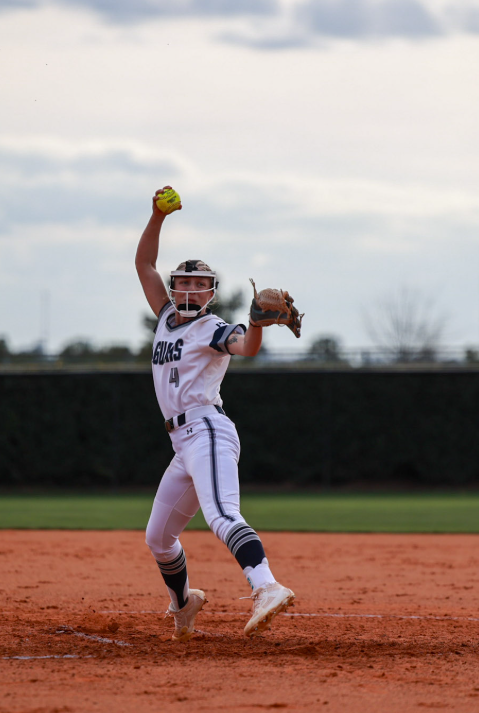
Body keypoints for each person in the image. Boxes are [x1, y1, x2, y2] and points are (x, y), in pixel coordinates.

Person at [135, 186, 295, 641]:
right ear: (174, 288)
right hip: (181, 442)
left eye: (198, 285)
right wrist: (156, 217)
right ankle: (184, 603)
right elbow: (144, 264)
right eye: (183, 283)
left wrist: (260, 326)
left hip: (206, 428)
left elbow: (245, 347)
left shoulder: (213, 327)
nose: (188, 289)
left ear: (210, 293)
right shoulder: (165, 317)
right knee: (158, 538)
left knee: (223, 515)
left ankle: (267, 587)